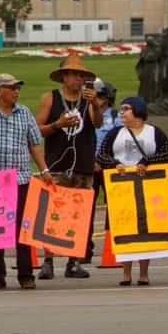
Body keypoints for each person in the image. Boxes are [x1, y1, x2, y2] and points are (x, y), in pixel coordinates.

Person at [0, 73, 54, 290]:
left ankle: (26, 276)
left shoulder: (24, 113)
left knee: (22, 230)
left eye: (18, 88)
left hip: (20, 179)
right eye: (12, 87)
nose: (16, 91)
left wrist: (44, 169)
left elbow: (34, 144)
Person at [35, 52, 101, 281]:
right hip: (56, 164)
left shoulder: (89, 100)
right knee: (51, 214)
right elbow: (36, 131)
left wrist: (95, 103)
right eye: (74, 75)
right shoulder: (50, 99)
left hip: (82, 163)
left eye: (82, 75)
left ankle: (74, 261)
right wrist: (58, 124)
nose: (79, 79)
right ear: (64, 77)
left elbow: (97, 123)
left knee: (78, 216)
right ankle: (48, 260)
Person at [97, 96, 168, 286]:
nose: (121, 112)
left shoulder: (154, 132)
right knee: (124, 227)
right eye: (121, 109)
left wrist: (146, 162)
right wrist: (115, 164)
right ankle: (125, 272)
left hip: (147, 186)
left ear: (138, 111)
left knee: (145, 228)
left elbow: (166, 154)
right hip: (122, 187)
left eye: (126, 109)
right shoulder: (115, 133)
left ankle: (144, 272)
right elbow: (101, 156)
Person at [84, 79, 119, 264]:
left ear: (105, 98)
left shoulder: (116, 117)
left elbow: (119, 141)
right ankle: (84, 250)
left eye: (97, 95)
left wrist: (104, 160)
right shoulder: (84, 113)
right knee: (86, 209)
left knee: (113, 208)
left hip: (110, 167)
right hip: (89, 168)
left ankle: (113, 247)